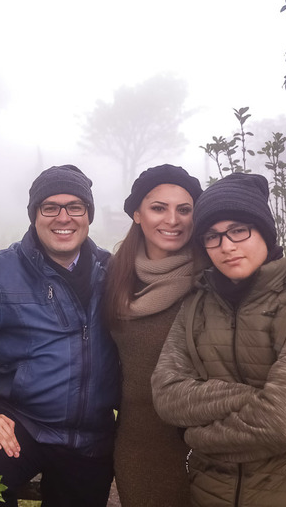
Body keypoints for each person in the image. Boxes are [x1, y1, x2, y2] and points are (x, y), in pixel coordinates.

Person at [150, 173, 286, 507]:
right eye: (212, 236)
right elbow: (167, 394)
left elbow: (284, 423)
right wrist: (260, 400)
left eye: (238, 230)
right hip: (211, 493)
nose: (227, 246)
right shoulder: (197, 305)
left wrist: (193, 435)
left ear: (264, 231)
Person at [0, 165, 118, 507]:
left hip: (90, 437)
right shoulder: (0, 274)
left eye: (75, 206)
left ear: (88, 214)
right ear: (34, 215)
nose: (64, 217)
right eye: (50, 207)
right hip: (21, 425)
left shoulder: (113, 272)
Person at [106, 164, 203, 507]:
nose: (172, 220)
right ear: (137, 214)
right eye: (158, 208)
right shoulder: (113, 275)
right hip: (139, 446)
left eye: (184, 209)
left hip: (207, 444)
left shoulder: (215, 273)